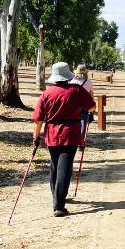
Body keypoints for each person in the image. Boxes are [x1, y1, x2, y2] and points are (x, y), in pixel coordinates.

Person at [32, 62, 96, 217]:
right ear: (68, 75)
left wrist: (36, 138)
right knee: (65, 168)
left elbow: (38, 119)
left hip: (51, 133)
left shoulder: (47, 93)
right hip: (70, 133)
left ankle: (56, 196)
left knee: (55, 165)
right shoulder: (76, 90)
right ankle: (59, 205)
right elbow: (92, 107)